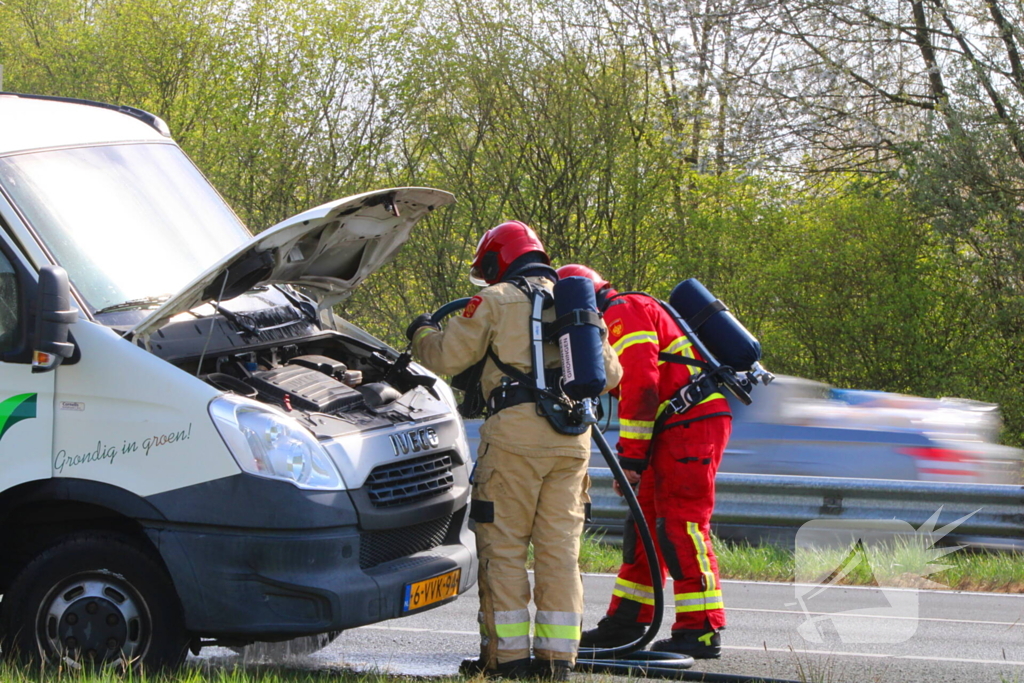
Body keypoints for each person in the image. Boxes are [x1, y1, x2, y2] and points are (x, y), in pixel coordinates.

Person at [407, 223, 622, 680]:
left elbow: (446, 358)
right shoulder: (573, 299)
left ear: (495, 261)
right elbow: (612, 375)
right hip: (571, 442)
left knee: (504, 551)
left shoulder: (496, 299)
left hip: (514, 441)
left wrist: (422, 331)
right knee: (558, 554)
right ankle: (556, 661)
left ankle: (507, 662)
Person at [556, 264, 731, 659]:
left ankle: (702, 629)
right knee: (644, 527)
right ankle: (627, 623)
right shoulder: (618, 316)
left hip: (690, 423)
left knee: (680, 524)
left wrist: (631, 458)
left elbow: (642, 387)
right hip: (672, 427)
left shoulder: (623, 311)